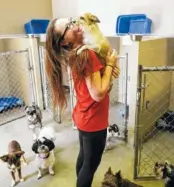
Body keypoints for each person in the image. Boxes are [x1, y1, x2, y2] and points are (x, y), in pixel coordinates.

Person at [45, 17, 120, 187]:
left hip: (83, 116)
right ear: (64, 41)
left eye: (72, 21)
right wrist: (109, 65)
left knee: (85, 158)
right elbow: (99, 93)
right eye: (69, 27)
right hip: (94, 120)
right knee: (90, 165)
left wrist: (107, 74)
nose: (76, 25)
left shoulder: (76, 53)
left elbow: (94, 88)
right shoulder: (87, 54)